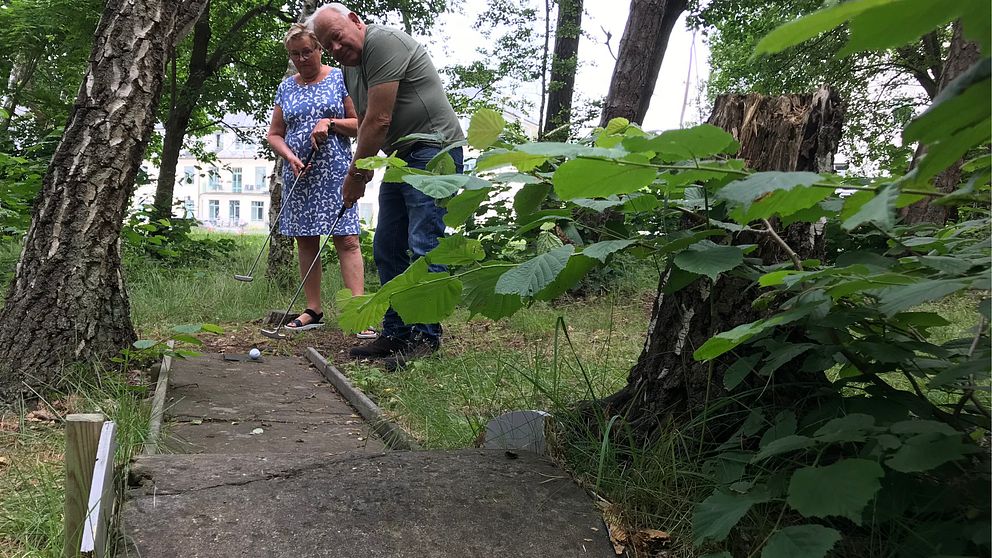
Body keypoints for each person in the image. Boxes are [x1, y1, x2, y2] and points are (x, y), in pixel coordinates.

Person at [308, 3, 465, 369]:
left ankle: (425, 336)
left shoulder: (383, 43)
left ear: (356, 22)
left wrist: (354, 176)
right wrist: (361, 170)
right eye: (326, 44)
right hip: (400, 157)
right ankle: (396, 333)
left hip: (434, 150)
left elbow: (379, 121)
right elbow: (363, 122)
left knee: (424, 243)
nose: (334, 48)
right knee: (387, 246)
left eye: (336, 37)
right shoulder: (352, 69)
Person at [266, 22, 375, 338]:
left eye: (306, 52)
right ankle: (313, 310)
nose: (301, 59)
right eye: (294, 54)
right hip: (301, 173)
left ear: (319, 49)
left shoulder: (340, 78)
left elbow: (361, 124)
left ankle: (358, 313)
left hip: (337, 172)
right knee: (306, 240)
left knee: (347, 238)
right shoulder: (287, 87)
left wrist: (330, 123)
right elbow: (274, 134)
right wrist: (288, 155)